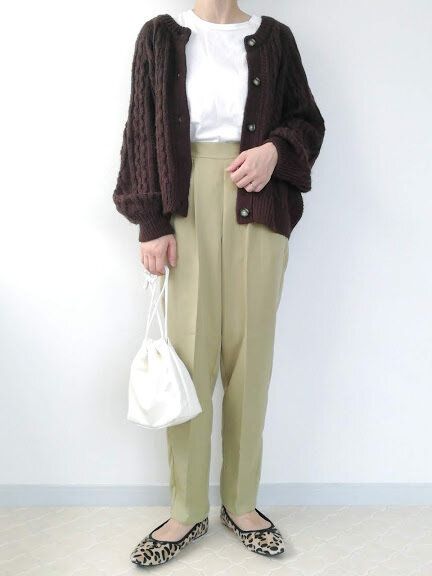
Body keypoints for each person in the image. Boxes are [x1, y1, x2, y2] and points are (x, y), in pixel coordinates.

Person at [112, 0, 325, 567]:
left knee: (251, 359)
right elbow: (142, 128)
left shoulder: (275, 38)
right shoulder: (161, 36)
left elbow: (308, 121)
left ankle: (241, 503)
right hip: (185, 205)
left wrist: (274, 152)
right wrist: (151, 222)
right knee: (189, 357)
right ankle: (186, 510)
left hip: (260, 201)